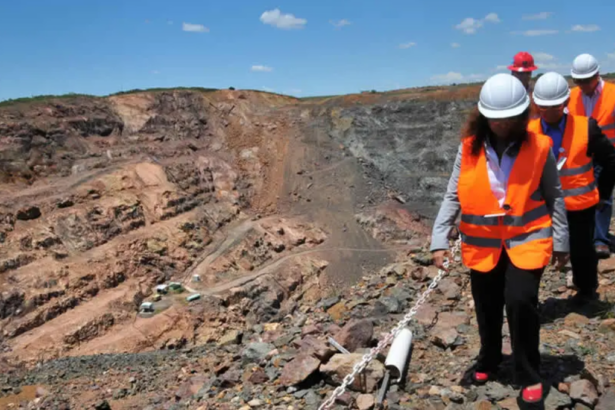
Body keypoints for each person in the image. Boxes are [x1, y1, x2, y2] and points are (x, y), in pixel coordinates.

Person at [430, 73, 569, 408]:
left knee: (521, 302)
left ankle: (529, 374)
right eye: (496, 118)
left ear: (522, 116)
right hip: (484, 246)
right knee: (487, 305)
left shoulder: (539, 147)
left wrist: (562, 242)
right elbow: (453, 195)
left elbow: (555, 195)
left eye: (509, 118)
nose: (503, 125)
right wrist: (439, 238)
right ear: (483, 116)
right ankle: (489, 359)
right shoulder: (469, 149)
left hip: (528, 242)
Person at [529, 72, 615, 303]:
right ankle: (527, 299)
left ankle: (587, 293)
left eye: (555, 106)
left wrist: (603, 195)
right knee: (535, 251)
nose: (548, 112)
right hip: (542, 207)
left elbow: (609, 160)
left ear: (566, 102)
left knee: (582, 251)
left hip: (579, 206)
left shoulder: (586, 127)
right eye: (543, 107)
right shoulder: (529, 132)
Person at [567, 53, 615, 259]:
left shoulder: (613, 94)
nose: (582, 85)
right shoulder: (572, 96)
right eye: (578, 81)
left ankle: (600, 240)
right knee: (579, 196)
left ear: (597, 75)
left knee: (604, 196)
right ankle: (581, 236)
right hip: (581, 154)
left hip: (608, 154)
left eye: (586, 81)